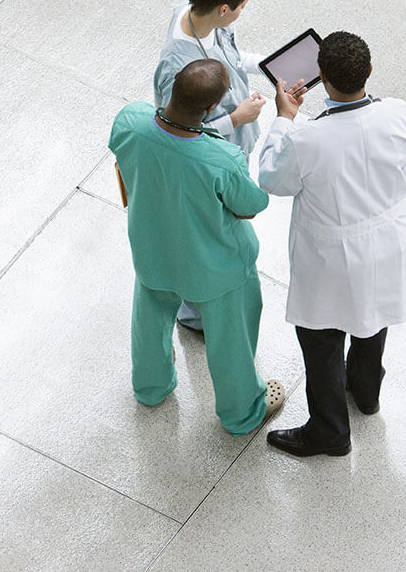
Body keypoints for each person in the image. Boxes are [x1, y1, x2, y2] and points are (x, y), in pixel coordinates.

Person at [258, 31, 406, 457]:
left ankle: (331, 432)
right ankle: (366, 393)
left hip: (329, 261)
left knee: (322, 342)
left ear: (320, 77)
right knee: (374, 318)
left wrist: (283, 118)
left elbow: (271, 180)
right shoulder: (403, 115)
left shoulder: (307, 139)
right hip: (387, 245)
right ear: (369, 71)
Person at [109, 58, 284, 436]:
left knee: (150, 320)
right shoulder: (221, 160)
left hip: (153, 252)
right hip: (214, 271)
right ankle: (243, 411)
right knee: (230, 339)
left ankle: (151, 387)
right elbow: (252, 205)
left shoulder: (130, 122)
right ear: (209, 110)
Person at [154, 0, 266, 331]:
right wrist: (236, 118)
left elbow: (231, 58)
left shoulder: (204, 21)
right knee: (206, 232)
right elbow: (179, 128)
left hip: (234, 144)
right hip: (208, 156)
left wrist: (270, 64)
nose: (241, 12)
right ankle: (197, 315)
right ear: (223, 9)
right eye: (240, 6)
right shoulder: (176, 64)